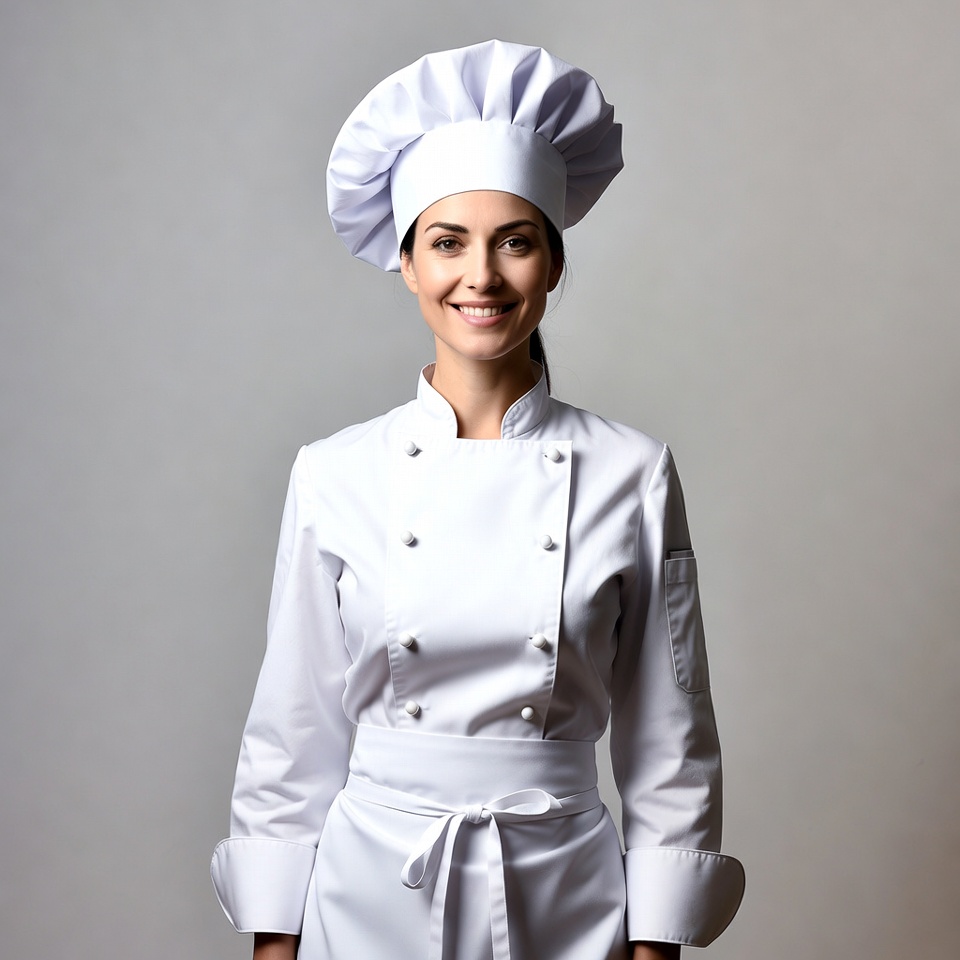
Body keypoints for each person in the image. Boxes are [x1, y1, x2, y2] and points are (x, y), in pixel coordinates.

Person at [211, 39, 745, 960]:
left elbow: (671, 725)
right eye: (448, 243)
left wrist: (655, 941)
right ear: (409, 264)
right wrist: (274, 938)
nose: (482, 277)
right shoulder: (334, 472)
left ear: (552, 262)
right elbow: (292, 723)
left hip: (567, 891)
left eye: (516, 242)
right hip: (368, 883)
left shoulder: (632, 470)